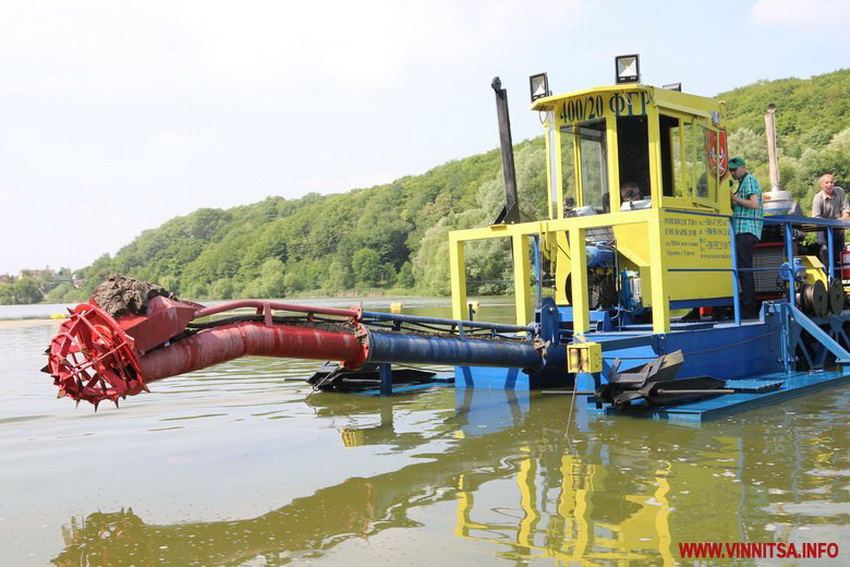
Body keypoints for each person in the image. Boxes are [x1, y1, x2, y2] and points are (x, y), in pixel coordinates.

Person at [728, 157, 763, 318]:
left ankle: (749, 308)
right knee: (743, 270)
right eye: (730, 170)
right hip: (742, 230)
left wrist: (733, 198)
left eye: (734, 169)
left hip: (746, 230)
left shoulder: (749, 180)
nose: (732, 173)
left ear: (743, 167)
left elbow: (754, 203)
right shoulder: (743, 182)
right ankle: (748, 307)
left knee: (745, 270)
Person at [811, 173, 850, 270]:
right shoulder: (818, 198)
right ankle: (825, 280)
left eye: (831, 182)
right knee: (825, 256)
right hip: (823, 231)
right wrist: (831, 223)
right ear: (821, 185)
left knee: (838, 258)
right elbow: (816, 218)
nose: (829, 185)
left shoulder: (840, 191)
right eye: (827, 182)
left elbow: (846, 209)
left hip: (838, 230)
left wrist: (844, 217)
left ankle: (837, 282)